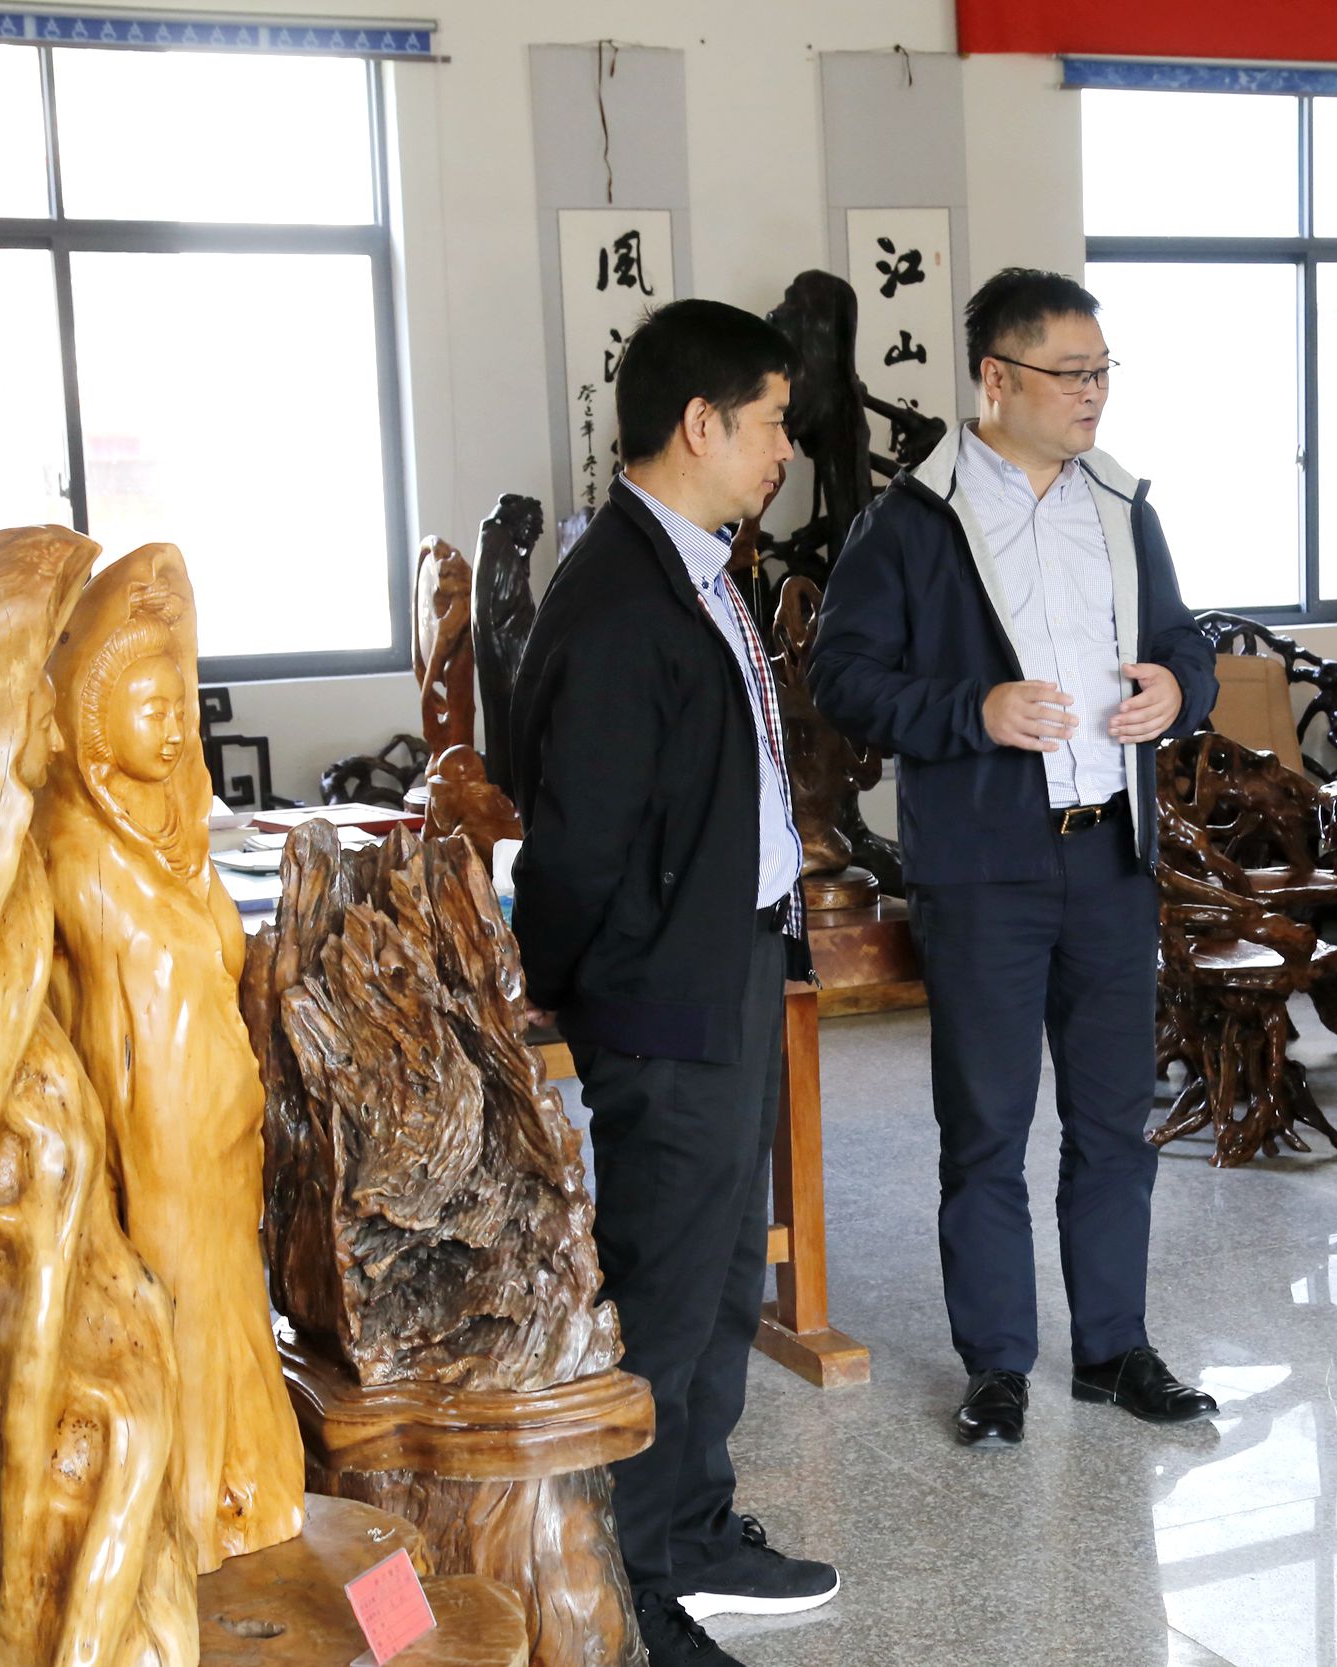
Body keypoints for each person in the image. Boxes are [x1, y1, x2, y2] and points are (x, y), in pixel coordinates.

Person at [810, 268, 1220, 1449]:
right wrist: (972, 710)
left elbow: (1183, 642)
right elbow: (843, 678)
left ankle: (1114, 1348)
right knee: (986, 1127)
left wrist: (1177, 689)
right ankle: (996, 1363)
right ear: (995, 377)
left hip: (1110, 859)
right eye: (1070, 372)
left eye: (1103, 371)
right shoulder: (912, 520)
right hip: (985, 868)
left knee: (1114, 1121)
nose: (1094, 392)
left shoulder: (1122, 506)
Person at [506, 298, 838, 1667]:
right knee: (663, 1285)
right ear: (700, 423)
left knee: (717, 1281)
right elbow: (573, 839)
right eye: (771, 423)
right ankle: (634, 1579)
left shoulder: (691, 565)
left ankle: (693, 1525)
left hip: (729, 957)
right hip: (665, 987)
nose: (784, 451)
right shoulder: (618, 598)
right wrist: (581, 982)